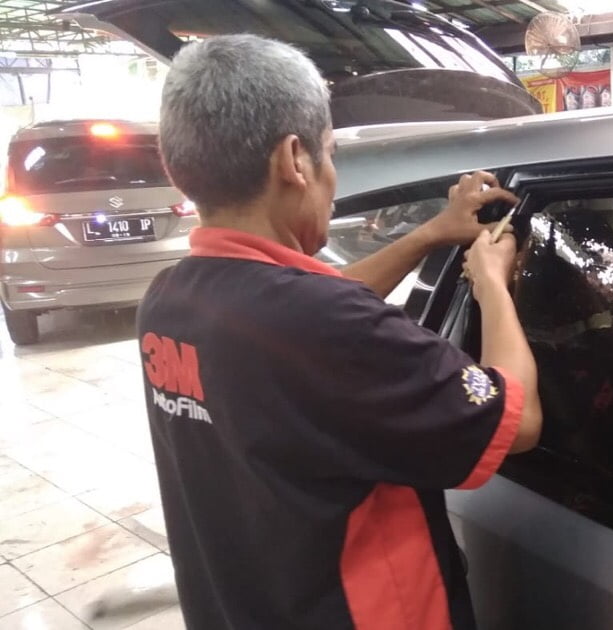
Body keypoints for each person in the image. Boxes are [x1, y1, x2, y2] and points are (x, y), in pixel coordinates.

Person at [138, 35, 542, 630]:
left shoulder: (170, 301)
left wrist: (429, 234)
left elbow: (304, 312)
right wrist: (491, 283)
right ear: (294, 160)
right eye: (329, 154)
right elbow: (519, 420)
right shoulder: (323, 323)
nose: (332, 176)